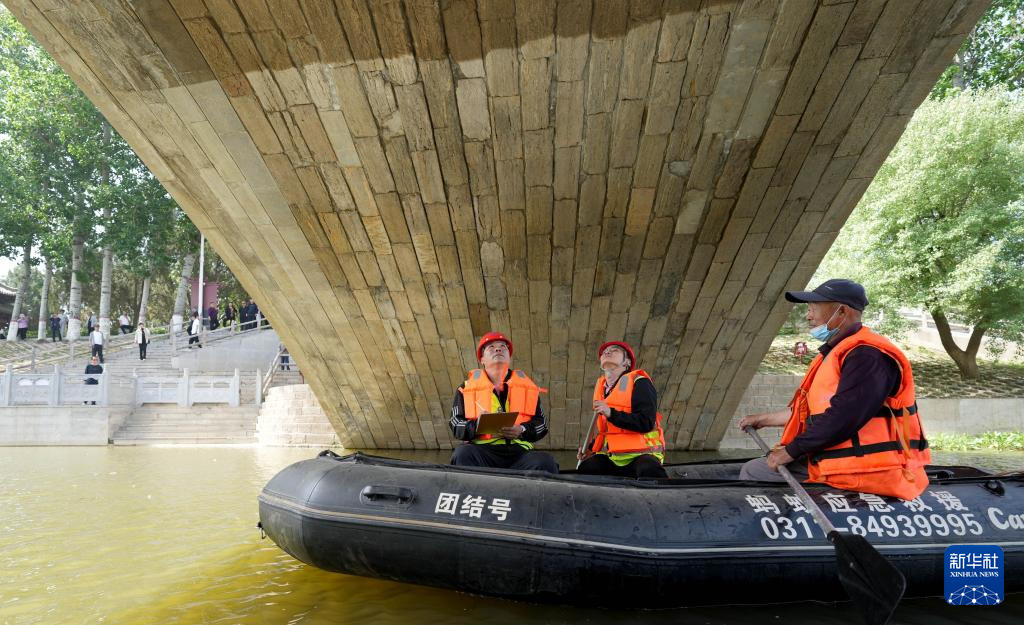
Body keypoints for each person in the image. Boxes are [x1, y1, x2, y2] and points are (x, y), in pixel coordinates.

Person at [737, 279, 930, 500]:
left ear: (841, 311)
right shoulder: (839, 352)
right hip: (838, 460)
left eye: (813, 308)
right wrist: (762, 419)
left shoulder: (867, 355)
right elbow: (808, 412)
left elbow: (845, 416)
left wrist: (790, 452)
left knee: (754, 471)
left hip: (866, 469)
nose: (808, 315)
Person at [448, 332, 558, 473]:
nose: (498, 349)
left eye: (503, 347)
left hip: (520, 454)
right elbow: (456, 424)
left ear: (509, 357)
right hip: (483, 452)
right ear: (482, 359)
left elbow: (541, 424)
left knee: (545, 461)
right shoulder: (465, 388)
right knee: (462, 454)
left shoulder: (528, 388)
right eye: (491, 347)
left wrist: (521, 430)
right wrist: (477, 426)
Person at [577, 341, 667, 479]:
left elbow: (646, 422)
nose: (607, 352)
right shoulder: (601, 389)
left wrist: (611, 413)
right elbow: (606, 431)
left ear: (627, 363)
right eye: (604, 352)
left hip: (642, 455)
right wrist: (589, 449)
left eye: (615, 350)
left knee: (648, 469)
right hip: (614, 457)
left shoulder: (640, 382)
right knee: (587, 468)